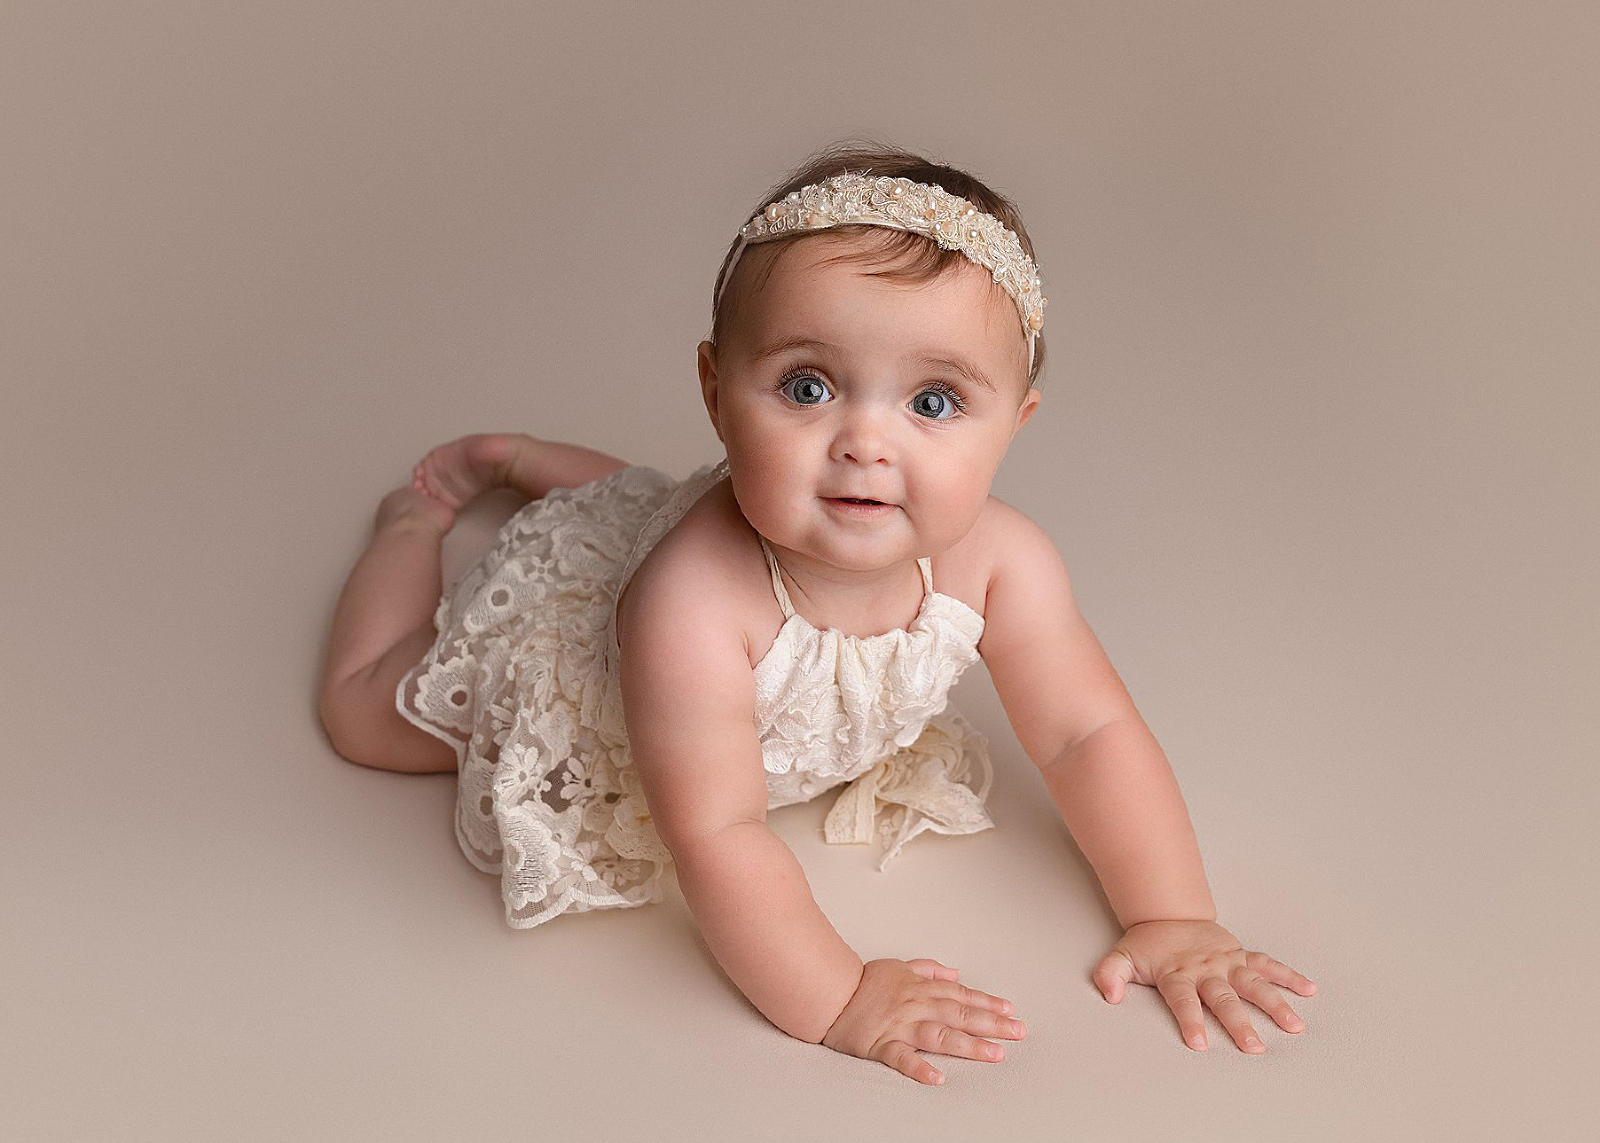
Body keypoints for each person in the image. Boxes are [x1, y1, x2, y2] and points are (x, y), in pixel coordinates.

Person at [318, 142, 1317, 1085]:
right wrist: (838, 998)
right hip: (608, 700)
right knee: (367, 719)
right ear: (718, 392)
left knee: (671, 499)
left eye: (932, 402)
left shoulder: (1004, 559)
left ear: (1013, 425)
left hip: (709, 607)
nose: (864, 445)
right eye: (807, 386)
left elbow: (1088, 733)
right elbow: (716, 831)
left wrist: (1176, 918)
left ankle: (535, 460)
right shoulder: (688, 606)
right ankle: (414, 520)